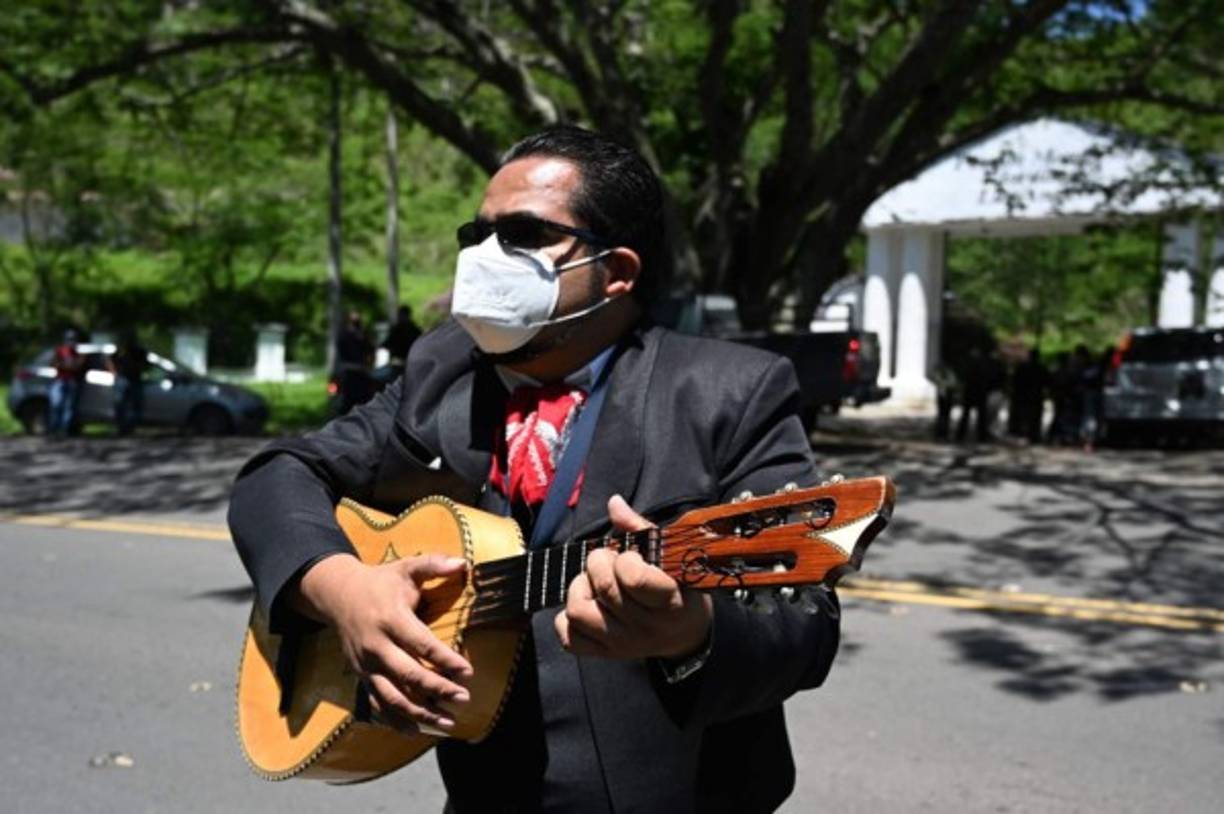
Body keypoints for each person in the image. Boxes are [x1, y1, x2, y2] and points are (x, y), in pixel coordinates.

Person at [229, 126, 840, 813]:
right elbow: (277, 477)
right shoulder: (442, 371)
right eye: (478, 234)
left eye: (523, 234)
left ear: (617, 271)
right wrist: (341, 589)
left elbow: (804, 627)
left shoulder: (730, 391)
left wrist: (692, 633)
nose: (485, 256)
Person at [333, 310, 375, 414]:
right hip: (349, 373)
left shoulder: (363, 335)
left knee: (363, 400)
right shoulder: (345, 335)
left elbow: (370, 350)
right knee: (348, 401)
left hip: (361, 373)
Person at [108, 328, 148, 436]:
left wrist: (137, 367)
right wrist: (114, 372)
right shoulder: (121, 350)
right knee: (120, 404)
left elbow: (145, 364)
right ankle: (120, 427)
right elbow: (110, 360)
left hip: (135, 379)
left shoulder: (139, 351)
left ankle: (130, 428)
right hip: (122, 379)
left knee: (135, 405)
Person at [48, 329, 86, 436]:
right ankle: (53, 429)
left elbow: (78, 367)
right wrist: (65, 366)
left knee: (68, 408)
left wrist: (70, 366)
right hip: (59, 381)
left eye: (73, 339)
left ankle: (63, 430)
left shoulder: (77, 353)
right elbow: (52, 363)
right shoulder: (60, 350)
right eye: (69, 339)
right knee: (56, 404)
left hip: (72, 382)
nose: (71, 341)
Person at [382, 304, 423, 370]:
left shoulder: (400, 329)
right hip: (408, 360)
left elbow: (388, 342)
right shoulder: (414, 329)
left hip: (401, 360)